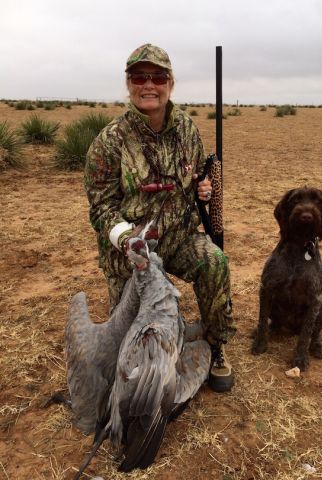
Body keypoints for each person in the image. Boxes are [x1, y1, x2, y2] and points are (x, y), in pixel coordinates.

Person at [84, 43, 236, 392]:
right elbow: (101, 209)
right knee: (129, 343)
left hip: (179, 236)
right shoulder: (109, 141)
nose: (149, 84)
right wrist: (126, 239)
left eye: (158, 77)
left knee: (215, 262)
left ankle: (216, 343)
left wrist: (204, 188)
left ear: (171, 83)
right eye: (140, 76)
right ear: (128, 83)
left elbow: (197, 173)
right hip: (132, 251)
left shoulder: (186, 128)